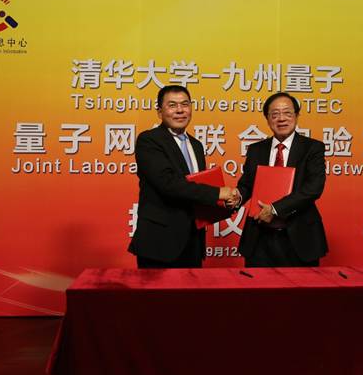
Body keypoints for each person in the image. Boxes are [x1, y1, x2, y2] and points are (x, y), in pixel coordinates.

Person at [129, 85, 239, 268]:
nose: (180, 110)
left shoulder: (196, 145)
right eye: (172, 105)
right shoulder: (149, 140)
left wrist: (224, 202)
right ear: (160, 112)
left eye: (185, 104)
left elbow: (197, 188)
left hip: (193, 241)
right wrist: (217, 193)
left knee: (192, 288)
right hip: (160, 243)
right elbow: (168, 183)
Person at [232, 93, 328, 267]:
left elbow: (313, 188)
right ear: (267, 119)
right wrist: (237, 196)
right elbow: (247, 184)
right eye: (275, 114)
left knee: (301, 285)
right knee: (258, 284)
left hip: (299, 236)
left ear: (296, 115)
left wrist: (275, 209)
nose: (281, 119)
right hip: (260, 236)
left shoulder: (312, 148)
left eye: (287, 113)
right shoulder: (256, 149)